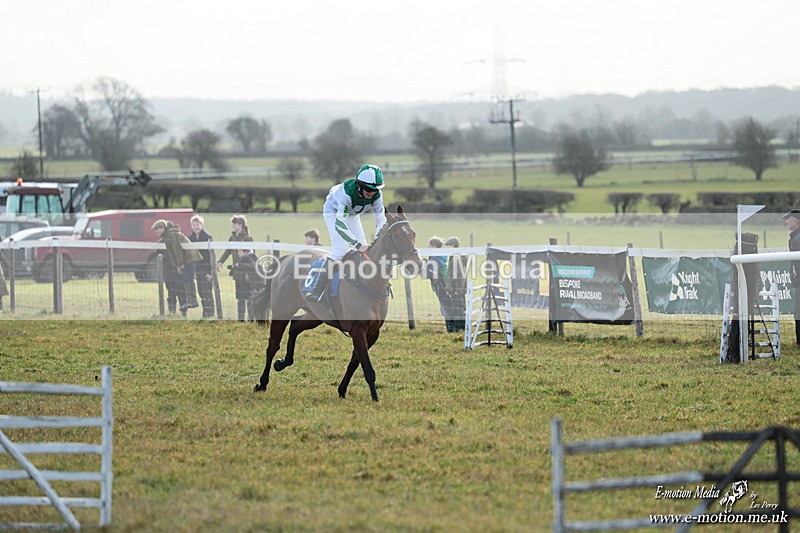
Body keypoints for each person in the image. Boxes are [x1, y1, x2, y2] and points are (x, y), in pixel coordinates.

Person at [304, 164, 387, 302]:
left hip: (353, 215)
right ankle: (316, 290)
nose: (371, 193)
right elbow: (340, 224)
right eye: (368, 189)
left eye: (374, 190)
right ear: (359, 185)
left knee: (365, 250)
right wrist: (356, 243)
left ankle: (360, 285)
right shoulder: (347, 192)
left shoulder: (377, 195)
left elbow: (380, 220)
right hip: (334, 212)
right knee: (340, 250)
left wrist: (377, 240)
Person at [152, 219, 202, 313]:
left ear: (165, 227)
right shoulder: (167, 237)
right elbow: (171, 253)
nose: (157, 230)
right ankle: (187, 303)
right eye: (155, 229)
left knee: (187, 280)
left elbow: (177, 249)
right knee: (184, 281)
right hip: (179, 264)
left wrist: (180, 264)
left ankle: (192, 300)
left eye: (159, 228)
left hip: (188, 259)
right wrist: (177, 265)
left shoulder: (172, 234)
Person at [189, 214, 215, 319]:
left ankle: (211, 313)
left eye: (197, 225)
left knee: (207, 291)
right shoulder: (190, 238)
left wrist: (211, 272)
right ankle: (205, 313)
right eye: (194, 225)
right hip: (197, 269)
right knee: (201, 291)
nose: (195, 227)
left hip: (206, 268)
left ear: (202, 225)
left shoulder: (207, 237)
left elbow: (210, 256)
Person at [443, 236, 468, 333]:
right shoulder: (454, 256)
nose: (447, 247)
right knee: (456, 308)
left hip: (456, 289)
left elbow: (458, 275)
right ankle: (459, 329)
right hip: (455, 288)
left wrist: (458, 289)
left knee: (458, 308)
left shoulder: (457, 258)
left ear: (454, 245)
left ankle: (460, 329)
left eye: (449, 245)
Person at [784, 208, 800, 344]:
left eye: (789, 218)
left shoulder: (797, 238)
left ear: (796, 220)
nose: (786, 221)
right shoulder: (795, 237)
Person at [229, 248, 258, 321]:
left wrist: (241, 264)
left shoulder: (250, 257)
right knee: (241, 299)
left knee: (247, 299)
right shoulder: (243, 257)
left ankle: (248, 318)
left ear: (245, 252)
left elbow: (253, 265)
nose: (238, 252)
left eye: (240, 251)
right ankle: (242, 318)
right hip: (240, 280)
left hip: (245, 282)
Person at [426, 236, 449, 322]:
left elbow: (430, 273)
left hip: (440, 284)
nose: (427, 247)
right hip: (443, 283)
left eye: (429, 246)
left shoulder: (435, 258)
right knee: (446, 305)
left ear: (434, 246)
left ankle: (450, 327)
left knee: (445, 307)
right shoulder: (439, 256)